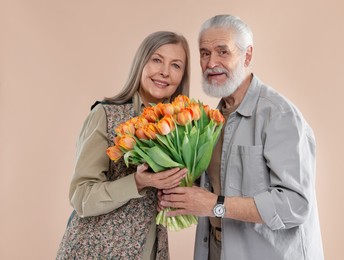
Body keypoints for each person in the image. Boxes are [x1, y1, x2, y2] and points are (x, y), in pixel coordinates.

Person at [159, 15, 324, 260]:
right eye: (204, 53)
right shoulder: (210, 120)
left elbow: (295, 204)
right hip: (215, 249)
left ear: (247, 56)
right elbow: (216, 185)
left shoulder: (279, 115)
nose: (211, 62)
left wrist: (215, 204)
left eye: (222, 52)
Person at [56, 31, 191, 259]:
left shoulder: (185, 132)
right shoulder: (106, 115)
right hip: (94, 251)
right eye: (157, 60)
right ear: (141, 63)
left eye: (176, 65)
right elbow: (81, 196)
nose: (165, 72)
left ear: (182, 77)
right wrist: (137, 182)